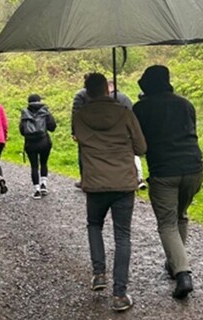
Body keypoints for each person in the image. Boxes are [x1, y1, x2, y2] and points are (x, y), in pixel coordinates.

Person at [73, 73, 147, 311]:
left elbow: (79, 139)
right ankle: (119, 295)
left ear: (87, 91)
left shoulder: (80, 115)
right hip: (123, 182)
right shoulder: (125, 113)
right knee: (122, 235)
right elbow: (141, 148)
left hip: (95, 182)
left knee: (94, 225)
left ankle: (98, 274)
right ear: (107, 89)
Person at [133, 65, 203, 300]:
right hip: (194, 168)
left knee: (167, 223)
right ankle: (175, 262)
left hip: (164, 172)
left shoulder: (141, 108)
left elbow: (138, 142)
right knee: (181, 215)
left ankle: (183, 273)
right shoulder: (185, 104)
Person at [107, 81, 146, 190]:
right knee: (134, 155)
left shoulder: (109, 99)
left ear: (110, 87)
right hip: (130, 130)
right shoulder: (126, 98)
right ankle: (139, 178)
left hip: (116, 132)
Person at [19, 94, 57, 199]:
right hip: (44, 141)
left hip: (30, 144)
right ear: (39, 101)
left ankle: (36, 190)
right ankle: (44, 184)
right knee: (43, 163)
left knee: (34, 166)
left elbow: (22, 131)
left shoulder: (25, 113)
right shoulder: (45, 111)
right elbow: (52, 127)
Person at [71, 73, 91, 189]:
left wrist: (74, 131)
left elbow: (76, 113)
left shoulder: (80, 95)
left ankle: (85, 180)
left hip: (84, 130)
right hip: (101, 129)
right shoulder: (104, 95)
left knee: (83, 155)